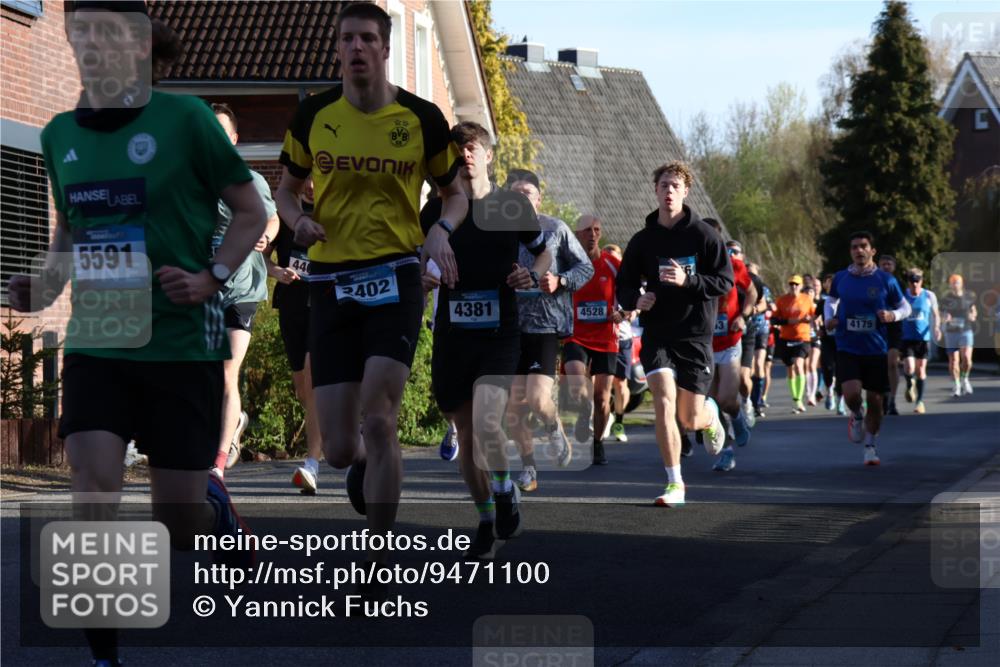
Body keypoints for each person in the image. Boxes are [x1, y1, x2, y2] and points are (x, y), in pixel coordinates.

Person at [8, 4, 266, 665]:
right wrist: (40, 286)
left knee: (176, 525)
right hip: (101, 343)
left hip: (180, 344)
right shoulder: (60, 134)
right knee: (92, 488)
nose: (90, 46)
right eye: (82, 34)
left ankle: (217, 515)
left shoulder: (187, 121)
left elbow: (251, 210)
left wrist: (211, 277)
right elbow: (67, 239)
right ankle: (104, 655)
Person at [274, 2, 468, 587]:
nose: (356, 47)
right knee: (337, 449)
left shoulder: (421, 118)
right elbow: (285, 191)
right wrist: (296, 222)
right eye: (346, 39)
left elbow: (455, 194)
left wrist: (439, 229)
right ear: (338, 49)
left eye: (366, 38)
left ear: (385, 48)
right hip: (330, 282)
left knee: (380, 419)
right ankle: (358, 465)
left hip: (394, 279)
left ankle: (377, 553)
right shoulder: (313, 116)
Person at [420, 121, 550, 559]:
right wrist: (420, 279)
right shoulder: (434, 213)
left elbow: (544, 249)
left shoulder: (511, 205)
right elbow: (412, 262)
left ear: (489, 155)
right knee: (467, 433)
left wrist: (530, 272)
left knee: (488, 420)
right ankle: (484, 516)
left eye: (473, 147)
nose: (465, 155)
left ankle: (503, 487)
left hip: (500, 330)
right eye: (458, 149)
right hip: (453, 333)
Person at [617, 161, 733, 506]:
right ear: (655, 191)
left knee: (689, 416)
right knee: (664, 402)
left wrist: (689, 281)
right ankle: (674, 482)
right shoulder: (643, 240)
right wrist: (637, 299)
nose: (668, 191)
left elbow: (723, 281)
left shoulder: (704, 236)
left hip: (695, 334)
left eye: (674, 186)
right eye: (663, 185)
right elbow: (624, 284)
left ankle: (709, 415)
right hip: (658, 333)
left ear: (685, 192)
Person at [504, 169, 593, 492]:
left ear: (539, 198)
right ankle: (529, 469)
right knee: (514, 407)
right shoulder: (499, 233)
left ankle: (554, 427)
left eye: (528, 192)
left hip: (545, 325)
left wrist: (561, 281)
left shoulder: (556, 229)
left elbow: (586, 267)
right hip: (510, 327)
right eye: (515, 193)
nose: (522, 198)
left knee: (538, 399)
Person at [209, 103, 281, 478]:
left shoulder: (250, 180)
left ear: (234, 139)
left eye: (222, 132)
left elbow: (273, 216)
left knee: (226, 372)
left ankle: (217, 466)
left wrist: (267, 234)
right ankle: (233, 424)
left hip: (243, 289)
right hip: (204, 289)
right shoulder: (191, 182)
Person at [824, 231, 910, 466]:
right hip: (847, 344)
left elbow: (906, 308)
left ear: (872, 251)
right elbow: (830, 301)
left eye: (863, 246)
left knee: (875, 401)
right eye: (854, 247)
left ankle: (870, 446)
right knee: (851, 393)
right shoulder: (841, 277)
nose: (859, 250)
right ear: (850, 252)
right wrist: (829, 318)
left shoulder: (886, 280)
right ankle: (856, 414)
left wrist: (892, 315)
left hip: (876, 348)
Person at [267, 178, 325, 493]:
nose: (313, 184)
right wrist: (275, 271)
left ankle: (312, 462)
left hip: (324, 303)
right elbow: (261, 253)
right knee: (303, 389)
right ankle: (337, 428)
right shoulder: (286, 214)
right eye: (307, 177)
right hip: (291, 304)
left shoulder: (333, 211)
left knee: (314, 380)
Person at [562, 215, 622, 465]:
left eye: (597, 229)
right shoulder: (567, 263)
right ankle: (583, 410)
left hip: (606, 338)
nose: (593, 234)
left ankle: (597, 444)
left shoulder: (612, 264)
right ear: (577, 234)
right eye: (587, 230)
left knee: (601, 397)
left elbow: (629, 294)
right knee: (577, 387)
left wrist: (624, 311)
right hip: (575, 335)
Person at [705, 227, 756, 472]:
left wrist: (743, 315)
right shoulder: (690, 264)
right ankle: (727, 452)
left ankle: (738, 417)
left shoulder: (733, 264)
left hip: (729, 340)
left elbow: (752, 292)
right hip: (704, 344)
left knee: (726, 400)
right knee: (713, 404)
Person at [603, 244, 638, 443]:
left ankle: (619, 421)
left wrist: (624, 314)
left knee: (620, 383)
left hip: (622, 337)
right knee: (601, 382)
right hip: (602, 337)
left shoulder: (627, 280)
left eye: (614, 259)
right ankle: (603, 415)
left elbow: (637, 309)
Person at [771, 275, 815, 413]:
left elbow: (814, 315)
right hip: (786, 338)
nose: (794, 286)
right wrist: (787, 322)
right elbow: (774, 319)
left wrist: (810, 319)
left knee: (798, 364)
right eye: (791, 284)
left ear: (801, 286)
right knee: (790, 368)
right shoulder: (781, 300)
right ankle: (795, 398)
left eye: (796, 284)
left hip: (803, 337)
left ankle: (799, 399)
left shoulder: (807, 299)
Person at [900, 267, 940, 414]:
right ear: (908, 282)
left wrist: (937, 328)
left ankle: (919, 402)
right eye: (912, 281)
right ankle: (910, 383)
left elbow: (936, 314)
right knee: (910, 367)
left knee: (921, 370)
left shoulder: (929, 296)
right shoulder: (903, 296)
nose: (915, 284)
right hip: (907, 338)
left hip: (923, 339)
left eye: (917, 281)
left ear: (922, 281)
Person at [940, 273, 977, 396]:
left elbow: (973, 309)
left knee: (967, 358)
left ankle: (965, 379)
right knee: (954, 360)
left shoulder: (968, 296)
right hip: (951, 332)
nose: (955, 285)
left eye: (957, 282)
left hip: (966, 330)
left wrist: (973, 315)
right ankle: (956, 384)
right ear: (950, 285)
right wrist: (945, 317)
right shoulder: (946, 299)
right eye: (953, 283)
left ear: (961, 284)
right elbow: (941, 314)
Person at [746, 262, 774, 419]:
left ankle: (758, 402)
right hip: (746, 329)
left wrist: (753, 309)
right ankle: (749, 400)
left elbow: (766, 305)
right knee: (748, 368)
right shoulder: (739, 285)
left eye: (752, 271)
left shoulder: (763, 288)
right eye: (747, 271)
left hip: (761, 329)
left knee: (759, 364)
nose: (750, 274)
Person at [878, 255, 903, 415]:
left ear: (893, 266)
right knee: (880, 364)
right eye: (883, 264)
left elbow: (904, 306)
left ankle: (892, 399)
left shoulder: (896, 283)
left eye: (889, 264)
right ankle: (882, 396)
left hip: (894, 326)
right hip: (878, 327)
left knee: (892, 363)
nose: (886, 266)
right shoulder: (874, 283)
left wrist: (893, 314)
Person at [817, 273, 843, 413]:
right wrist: (818, 330)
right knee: (827, 367)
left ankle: (840, 400)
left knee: (840, 370)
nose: (832, 286)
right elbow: (814, 318)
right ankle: (829, 391)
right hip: (827, 340)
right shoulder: (823, 302)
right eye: (829, 283)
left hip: (841, 340)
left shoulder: (845, 301)